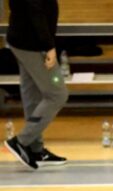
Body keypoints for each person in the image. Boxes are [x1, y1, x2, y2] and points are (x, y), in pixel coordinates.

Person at [3, 0, 68, 169]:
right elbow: (35, 10)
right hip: (32, 43)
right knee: (57, 94)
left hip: (22, 41)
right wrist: (49, 46)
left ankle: (35, 149)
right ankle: (21, 141)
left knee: (32, 96)